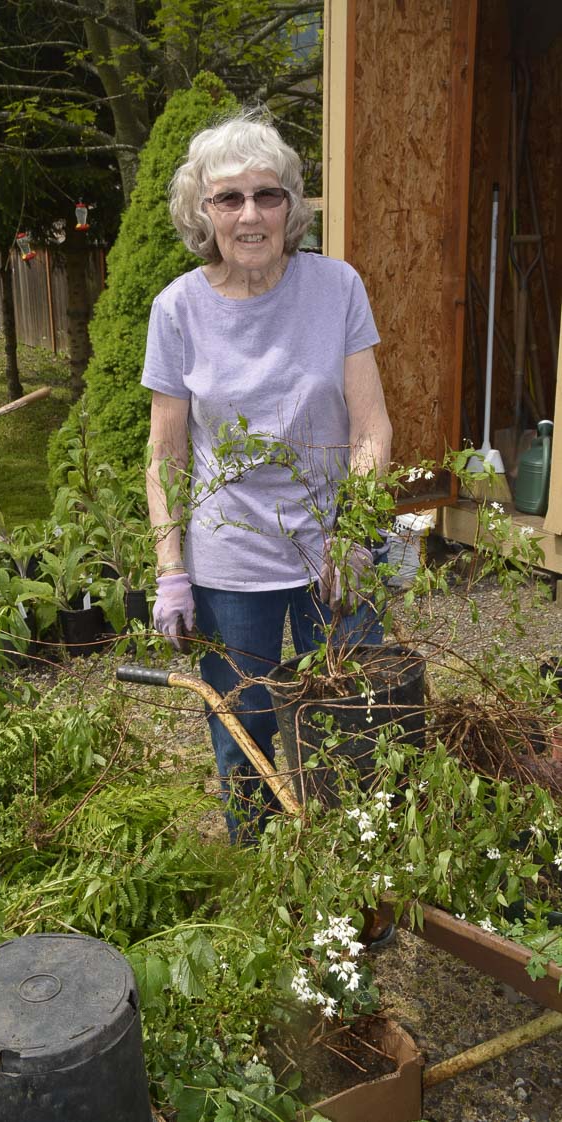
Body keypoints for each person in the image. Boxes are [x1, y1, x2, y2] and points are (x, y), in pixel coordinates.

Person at [142, 110, 392, 844]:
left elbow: (371, 425)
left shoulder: (337, 287)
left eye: (268, 194)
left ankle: (353, 871)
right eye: (229, 199)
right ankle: (264, 869)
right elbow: (166, 457)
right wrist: (170, 571)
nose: (251, 214)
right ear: (203, 212)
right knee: (243, 727)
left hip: (332, 548)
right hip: (231, 561)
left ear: (292, 205)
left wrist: (353, 532)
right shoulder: (177, 310)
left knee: (349, 716)